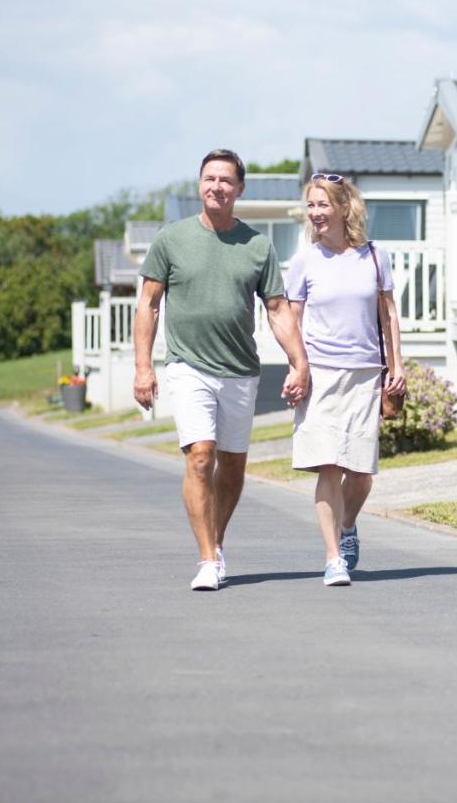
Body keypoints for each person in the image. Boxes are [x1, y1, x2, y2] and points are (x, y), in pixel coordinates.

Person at [133, 149, 310, 591]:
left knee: (232, 467)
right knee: (200, 457)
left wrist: (299, 362)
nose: (217, 187)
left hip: (240, 370)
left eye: (226, 180)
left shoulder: (257, 245)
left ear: (239, 189)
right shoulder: (171, 239)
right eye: (210, 179)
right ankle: (207, 559)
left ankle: (217, 541)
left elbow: (277, 308)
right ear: (199, 185)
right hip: (188, 366)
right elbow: (149, 305)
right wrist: (143, 368)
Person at [284, 173, 405, 587]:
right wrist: (296, 367)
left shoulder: (374, 256)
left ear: (342, 208)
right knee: (328, 466)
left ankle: (348, 524)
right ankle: (333, 557)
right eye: (311, 206)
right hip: (320, 375)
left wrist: (397, 365)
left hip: (366, 373)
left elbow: (388, 314)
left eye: (322, 205)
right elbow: (292, 320)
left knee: (361, 471)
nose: (315, 213)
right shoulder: (304, 261)